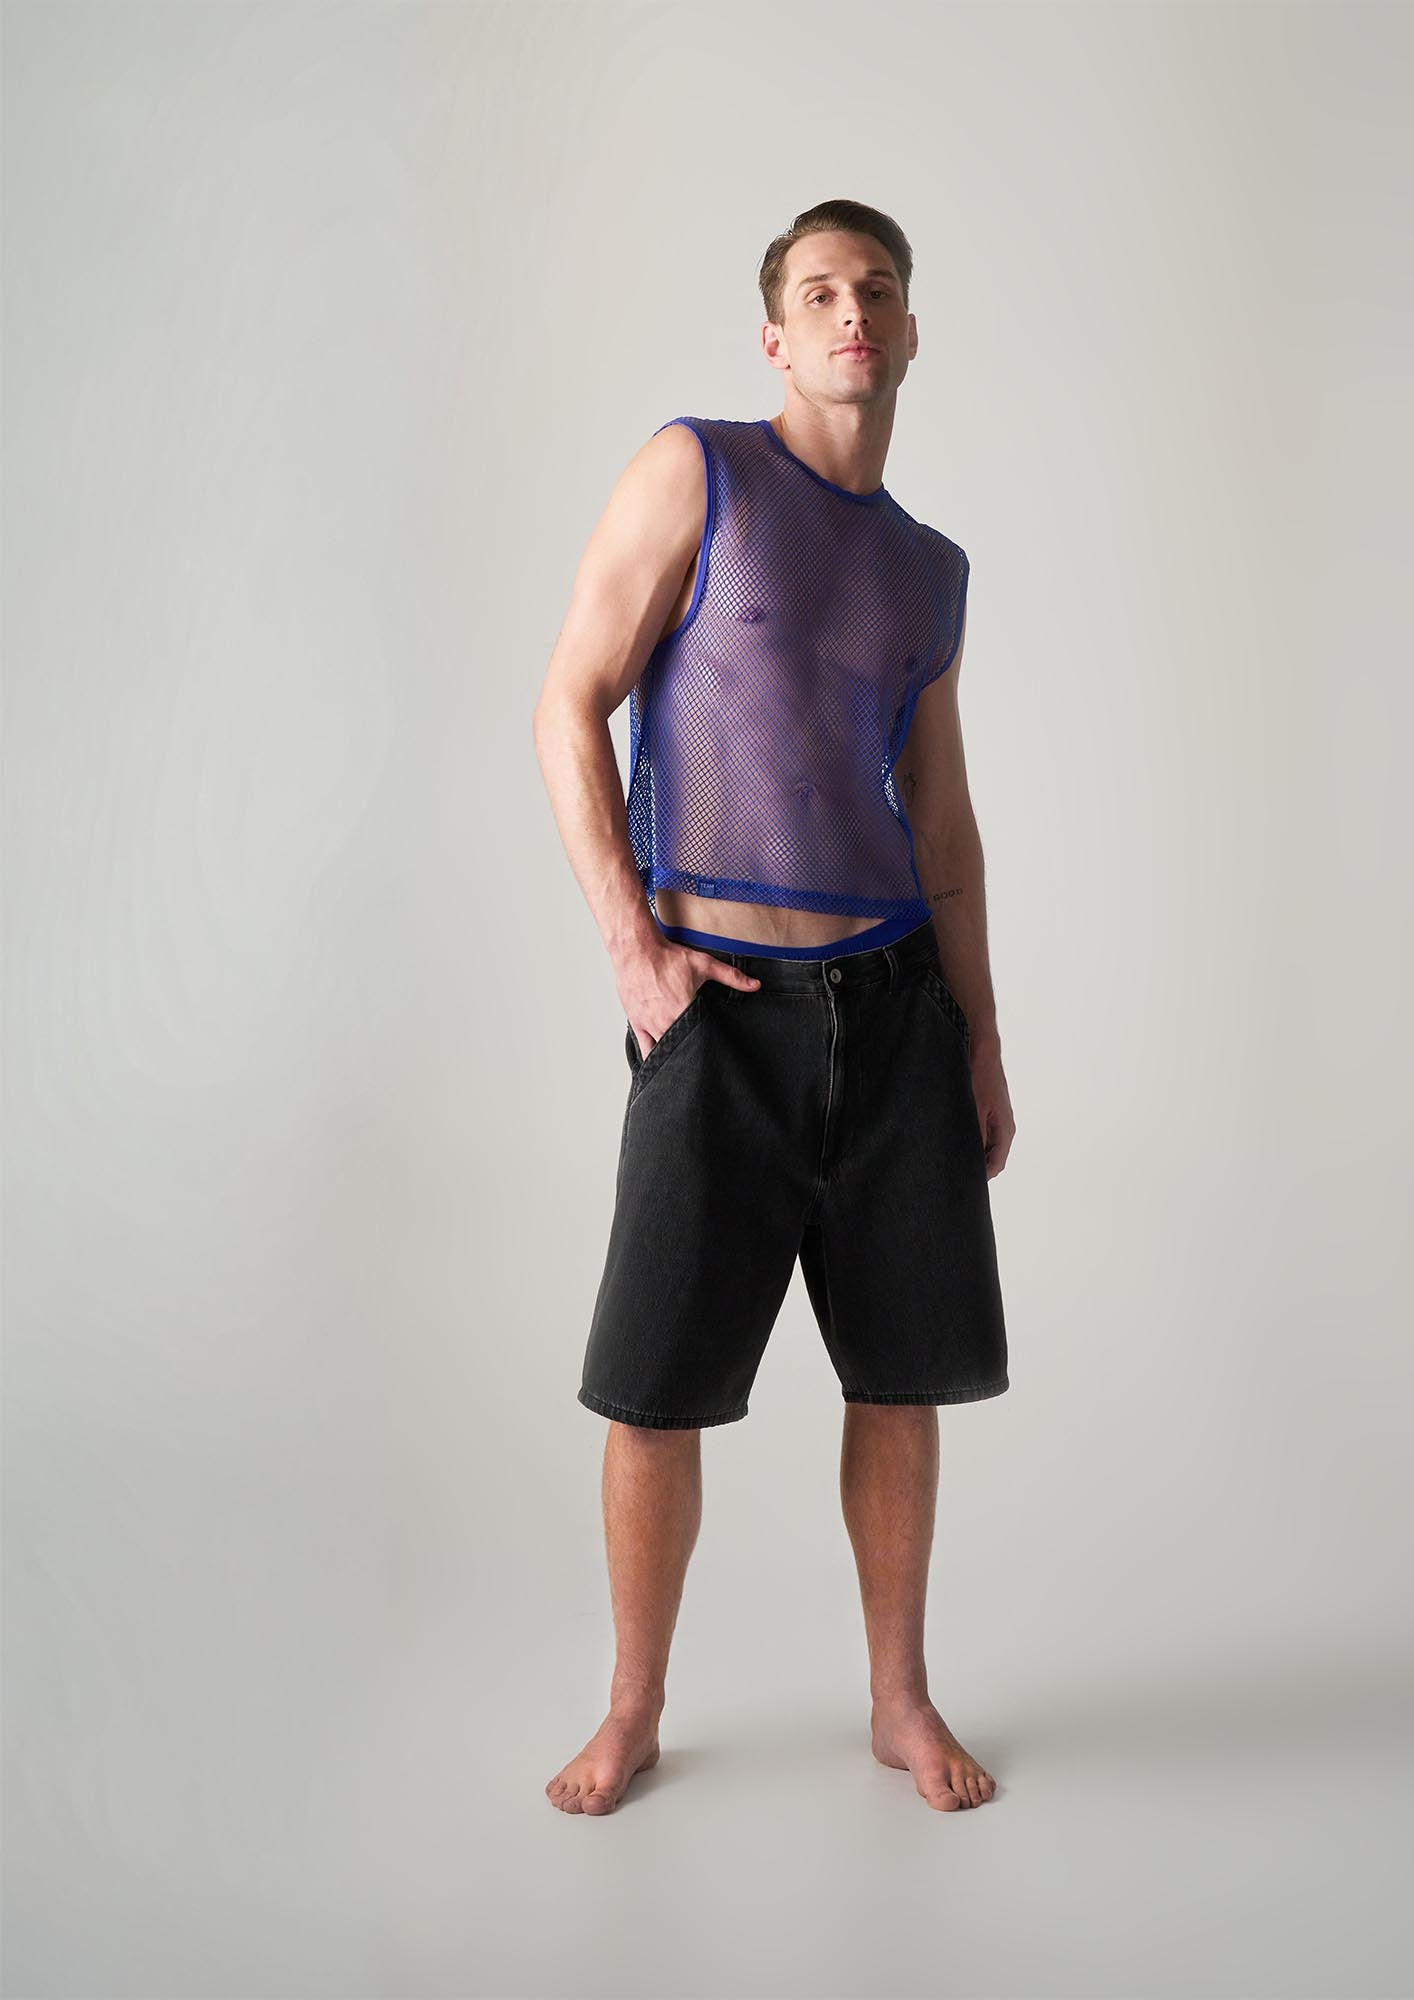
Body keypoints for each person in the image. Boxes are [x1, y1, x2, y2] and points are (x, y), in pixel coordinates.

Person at [532, 199, 1016, 1814]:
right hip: (719, 1012)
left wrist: (979, 1037)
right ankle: (632, 1710)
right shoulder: (702, 471)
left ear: (911, 329)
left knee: (899, 1378)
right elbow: (568, 703)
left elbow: (941, 821)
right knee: (652, 1388)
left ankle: (899, 1700)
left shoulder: (930, 571)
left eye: (877, 288)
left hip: (893, 1009)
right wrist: (635, 954)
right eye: (819, 292)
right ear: (776, 335)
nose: (851, 312)